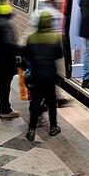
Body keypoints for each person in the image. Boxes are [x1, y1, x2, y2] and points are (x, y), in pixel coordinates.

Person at [23, 11, 63, 141]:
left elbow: (27, 56)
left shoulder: (31, 38)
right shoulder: (55, 37)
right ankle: (53, 128)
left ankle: (31, 130)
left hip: (35, 76)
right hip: (49, 76)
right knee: (51, 103)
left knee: (35, 103)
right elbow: (58, 55)